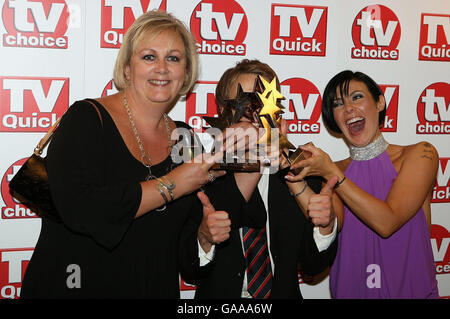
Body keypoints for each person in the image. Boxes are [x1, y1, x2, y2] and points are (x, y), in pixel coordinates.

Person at [20, 10, 227, 298]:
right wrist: (173, 184)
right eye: (149, 56)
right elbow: (84, 211)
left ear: (186, 73)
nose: (162, 68)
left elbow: (184, 250)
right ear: (127, 68)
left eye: (174, 58)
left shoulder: (186, 140)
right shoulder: (87, 119)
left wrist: (204, 238)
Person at [187, 59, 339, 299]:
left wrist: (325, 227)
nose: (254, 114)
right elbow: (190, 270)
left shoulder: (300, 170)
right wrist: (204, 238)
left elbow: (313, 267)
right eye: (244, 103)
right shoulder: (199, 173)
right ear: (223, 111)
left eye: (263, 103)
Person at [289, 70, 439, 298]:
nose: (348, 108)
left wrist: (331, 171)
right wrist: (289, 174)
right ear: (334, 118)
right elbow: (331, 223)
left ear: (380, 102)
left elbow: (387, 222)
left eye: (357, 97)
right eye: (338, 104)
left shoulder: (421, 153)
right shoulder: (332, 171)